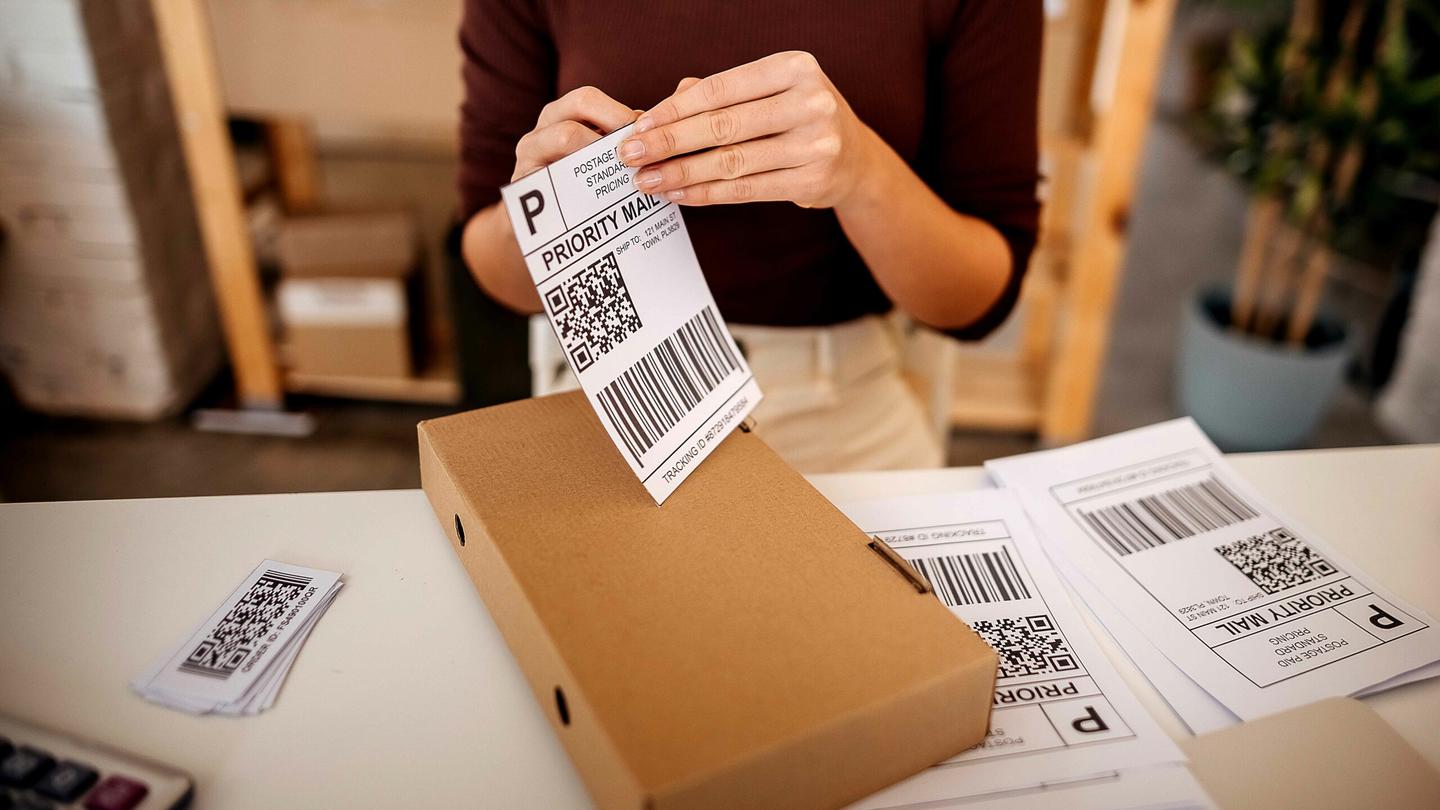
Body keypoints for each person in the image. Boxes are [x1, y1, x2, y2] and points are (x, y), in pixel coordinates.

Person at [458, 1, 1041, 473]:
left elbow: (982, 298)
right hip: (601, 401)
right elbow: (489, 262)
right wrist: (542, 210)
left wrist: (861, 172)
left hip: (844, 408)